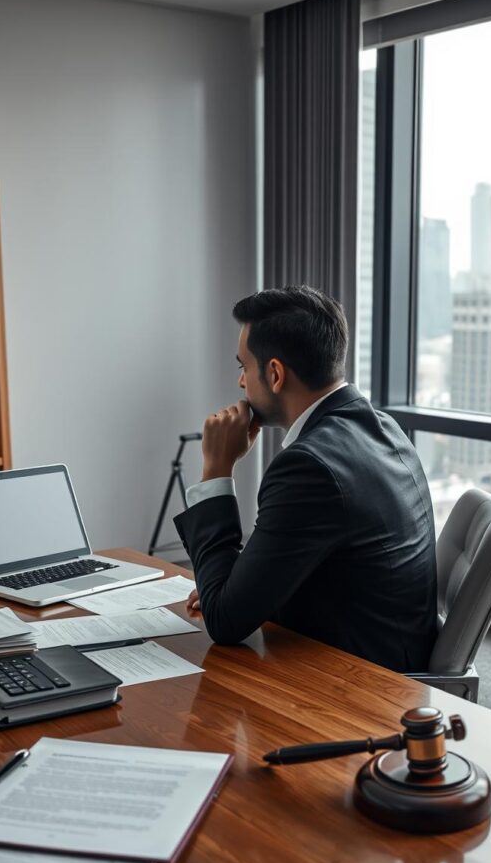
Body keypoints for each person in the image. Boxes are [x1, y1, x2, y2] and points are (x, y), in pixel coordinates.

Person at [174, 285, 437, 673]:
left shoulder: (308, 466)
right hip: (388, 652)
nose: (241, 382)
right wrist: (236, 584)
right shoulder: (384, 427)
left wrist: (216, 469)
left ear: (275, 373)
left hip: (360, 688)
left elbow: (225, 622)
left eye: (244, 367)